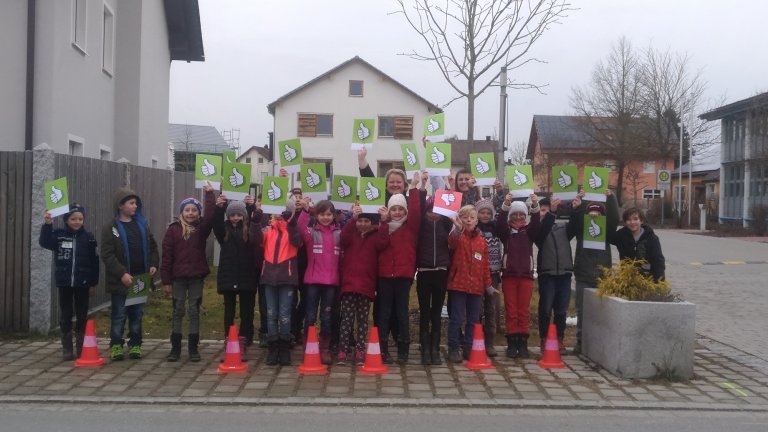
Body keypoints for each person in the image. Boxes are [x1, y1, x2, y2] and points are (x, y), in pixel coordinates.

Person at [101, 188, 159, 361]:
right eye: (131, 203)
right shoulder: (111, 227)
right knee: (119, 314)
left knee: (137, 314)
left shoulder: (142, 224)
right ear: (120, 206)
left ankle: (135, 343)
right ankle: (116, 345)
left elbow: (153, 247)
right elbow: (107, 254)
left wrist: (153, 265)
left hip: (139, 280)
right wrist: (122, 274)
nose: (135, 206)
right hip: (121, 282)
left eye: (136, 203)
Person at [161, 184, 215, 362]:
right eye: (187, 210)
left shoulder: (201, 230)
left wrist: (209, 194)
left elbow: (211, 216)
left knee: (193, 311)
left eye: (194, 210)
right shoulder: (173, 230)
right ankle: (175, 348)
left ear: (198, 213)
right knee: (178, 311)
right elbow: (167, 256)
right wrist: (166, 280)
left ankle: (193, 348)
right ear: (181, 212)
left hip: (195, 278)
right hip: (177, 279)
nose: (190, 213)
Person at [39, 204, 99, 361]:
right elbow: (45, 242)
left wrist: (93, 282)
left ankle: (81, 347)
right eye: (73, 219)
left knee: (82, 314)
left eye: (80, 219)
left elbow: (94, 261)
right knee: (66, 314)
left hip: (83, 283)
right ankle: (67, 348)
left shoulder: (89, 237)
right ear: (66, 220)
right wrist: (48, 224)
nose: (77, 222)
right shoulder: (59, 235)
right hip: (65, 282)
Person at [377, 172, 423, 364]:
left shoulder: (411, 227)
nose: (397, 212)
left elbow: (415, 210)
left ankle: (403, 347)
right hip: (385, 276)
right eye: (393, 209)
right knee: (384, 313)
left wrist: (412, 188)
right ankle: (382, 348)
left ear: (405, 212)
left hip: (403, 276)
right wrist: (383, 223)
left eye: (400, 209)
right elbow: (379, 245)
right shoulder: (384, 227)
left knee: (402, 312)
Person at [336, 206, 389, 365]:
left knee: (363, 320)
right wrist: (352, 219)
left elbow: (383, 243)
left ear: (372, 223)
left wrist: (384, 223)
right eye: (360, 220)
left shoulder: (375, 236)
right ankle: (343, 350)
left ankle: (360, 350)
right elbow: (343, 238)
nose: (363, 224)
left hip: (366, 286)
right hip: (349, 285)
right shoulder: (351, 235)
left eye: (367, 221)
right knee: (346, 319)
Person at [213, 195, 261, 360]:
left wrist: (251, 207)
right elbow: (216, 224)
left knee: (246, 311)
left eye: (239, 215)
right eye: (232, 215)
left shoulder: (248, 231)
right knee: (229, 310)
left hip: (246, 276)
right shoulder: (223, 231)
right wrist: (220, 208)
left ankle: (243, 338)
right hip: (228, 276)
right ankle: (229, 338)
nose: (235, 218)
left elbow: (255, 226)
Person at [571, 189, 618, 354]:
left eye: (598, 211)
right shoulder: (582, 229)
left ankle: (599, 346)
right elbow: (574, 222)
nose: (594, 214)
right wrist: (577, 207)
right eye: (591, 211)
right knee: (582, 312)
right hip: (583, 274)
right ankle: (580, 344)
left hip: (602, 276)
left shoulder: (607, 232)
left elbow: (614, 219)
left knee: (601, 313)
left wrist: (611, 199)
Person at [296, 198, 342, 365]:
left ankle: (324, 349)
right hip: (313, 281)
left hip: (331, 282)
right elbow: (301, 226)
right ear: (316, 215)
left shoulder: (339, 233)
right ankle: (309, 346)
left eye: (329, 214)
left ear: (334, 216)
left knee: (327, 316)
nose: (325, 217)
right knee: (310, 315)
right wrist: (305, 210)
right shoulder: (312, 233)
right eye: (322, 214)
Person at [534, 196, 581, 355]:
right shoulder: (538, 229)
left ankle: (559, 338)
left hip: (565, 273)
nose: (545, 213)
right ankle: (544, 338)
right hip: (547, 273)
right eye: (543, 210)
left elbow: (575, 226)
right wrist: (551, 213)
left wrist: (575, 209)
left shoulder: (563, 228)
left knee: (561, 309)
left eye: (547, 210)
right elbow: (542, 233)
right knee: (546, 308)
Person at [496, 193, 540, 359]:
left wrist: (535, 205)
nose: (518, 216)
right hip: (509, 277)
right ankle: (512, 342)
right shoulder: (506, 232)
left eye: (522, 214)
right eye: (514, 214)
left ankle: (523, 342)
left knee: (523, 310)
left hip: (526, 277)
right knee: (511, 310)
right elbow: (499, 223)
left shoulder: (529, 232)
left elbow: (537, 224)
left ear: (526, 216)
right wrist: (506, 204)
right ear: (510, 216)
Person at [446, 205, 492, 363]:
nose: (468, 220)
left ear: (476, 220)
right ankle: (453, 347)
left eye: (471, 217)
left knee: (474, 319)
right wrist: (457, 230)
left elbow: (486, 265)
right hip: (458, 285)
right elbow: (451, 243)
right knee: (457, 318)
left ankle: (468, 346)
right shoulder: (458, 236)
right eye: (465, 217)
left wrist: (488, 285)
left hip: (476, 287)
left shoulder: (482, 242)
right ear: (460, 219)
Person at [260, 198, 303, 366]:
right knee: (271, 314)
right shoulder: (268, 230)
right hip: (269, 278)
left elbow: (297, 242)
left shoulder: (293, 230)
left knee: (285, 315)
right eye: (277, 210)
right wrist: (257, 221)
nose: (280, 214)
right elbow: (255, 239)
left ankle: (284, 346)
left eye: (284, 211)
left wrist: (291, 223)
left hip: (287, 277)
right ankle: (272, 346)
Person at [415, 195, 453, 365]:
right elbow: (418, 205)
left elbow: (451, 203)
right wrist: (421, 187)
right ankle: (424, 348)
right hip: (424, 271)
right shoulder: (420, 225)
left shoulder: (446, 224)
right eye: (429, 211)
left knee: (436, 312)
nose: (432, 214)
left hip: (441, 272)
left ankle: (435, 348)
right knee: (424, 311)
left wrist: (448, 185)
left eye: (436, 210)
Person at [475, 198, 503, 358]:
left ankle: (490, 342)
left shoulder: (496, 229)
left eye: (488, 213)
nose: (485, 215)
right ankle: (475, 339)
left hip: (492, 274)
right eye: (482, 212)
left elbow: (502, 212)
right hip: (477, 274)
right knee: (476, 308)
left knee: (491, 308)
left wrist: (500, 194)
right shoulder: (474, 230)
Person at [611, 207, 666, 281]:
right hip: (627, 279)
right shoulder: (621, 236)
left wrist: (659, 280)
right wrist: (610, 199)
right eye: (629, 220)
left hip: (648, 279)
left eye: (635, 219)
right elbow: (605, 234)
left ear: (641, 221)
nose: (632, 222)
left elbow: (658, 261)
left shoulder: (651, 238)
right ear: (625, 222)